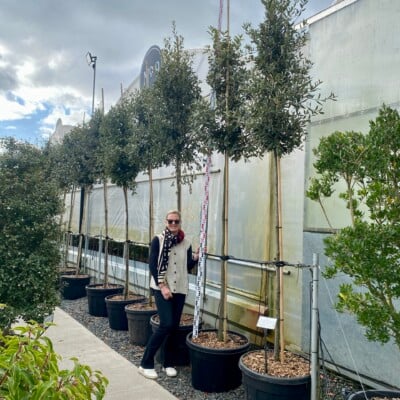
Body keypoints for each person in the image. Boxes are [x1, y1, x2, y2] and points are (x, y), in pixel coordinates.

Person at [139, 209, 199, 380]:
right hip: (161, 288)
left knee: (174, 327)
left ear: (180, 223)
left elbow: (186, 267)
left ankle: (168, 363)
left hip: (179, 288)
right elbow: (152, 264)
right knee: (166, 324)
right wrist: (162, 286)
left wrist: (195, 258)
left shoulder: (186, 243)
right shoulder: (158, 240)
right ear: (166, 222)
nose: (173, 224)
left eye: (176, 221)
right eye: (170, 221)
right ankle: (145, 363)